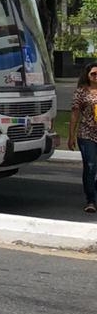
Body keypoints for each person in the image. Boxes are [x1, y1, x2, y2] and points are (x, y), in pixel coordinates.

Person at [69, 62, 97, 214]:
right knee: (91, 166)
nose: (96, 77)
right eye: (93, 74)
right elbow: (74, 114)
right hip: (87, 133)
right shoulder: (81, 92)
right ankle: (91, 200)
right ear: (87, 75)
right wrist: (71, 135)